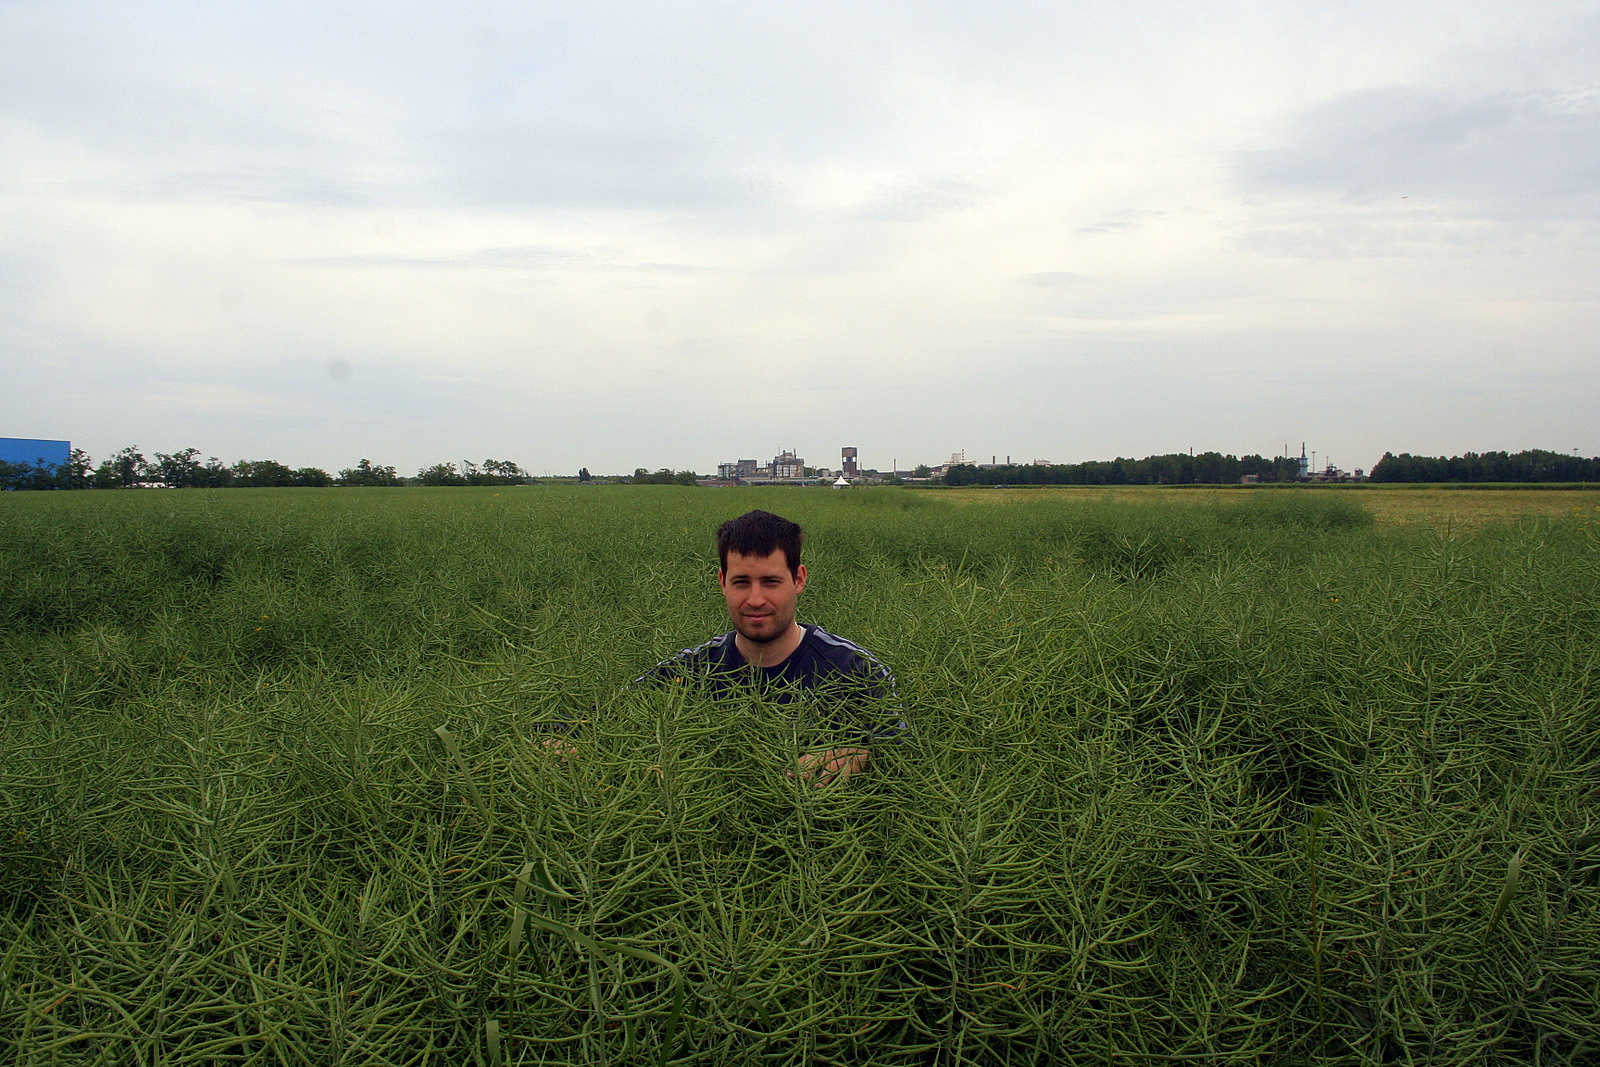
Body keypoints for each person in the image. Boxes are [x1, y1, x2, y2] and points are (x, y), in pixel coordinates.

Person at [636, 509, 904, 785]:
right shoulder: (689, 670)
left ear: (798, 579)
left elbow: (907, 762)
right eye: (741, 582)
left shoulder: (859, 670)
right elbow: (608, 720)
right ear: (722, 583)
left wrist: (862, 755)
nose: (755, 599)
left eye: (770, 582)